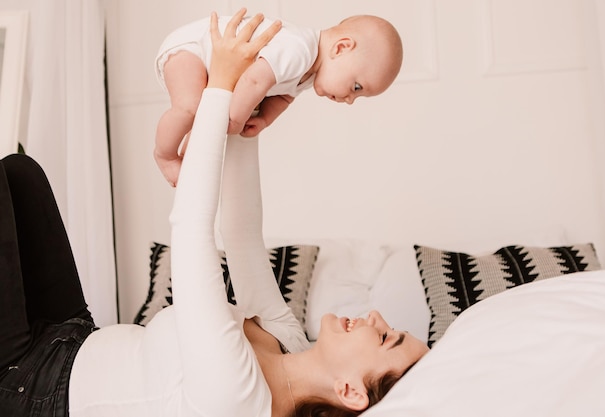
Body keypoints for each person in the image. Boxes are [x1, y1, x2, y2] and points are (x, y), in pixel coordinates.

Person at [0, 9, 428, 417]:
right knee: (19, 175)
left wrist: (220, 86)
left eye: (387, 337)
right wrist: (245, 106)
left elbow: (191, 233)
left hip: (32, 386)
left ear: (350, 390)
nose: (376, 318)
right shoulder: (289, 341)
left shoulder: (238, 399)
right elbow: (240, 233)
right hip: (72, 338)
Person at [154, 12, 403, 186]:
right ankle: (165, 155)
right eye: (357, 87)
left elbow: (283, 97)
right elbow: (254, 81)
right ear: (341, 48)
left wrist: (264, 120)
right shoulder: (299, 48)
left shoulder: (308, 74)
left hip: (211, 65)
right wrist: (236, 119)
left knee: (201, 118)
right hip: (193, 48)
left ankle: (188, 156)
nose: (350, 99)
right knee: (188, 108)